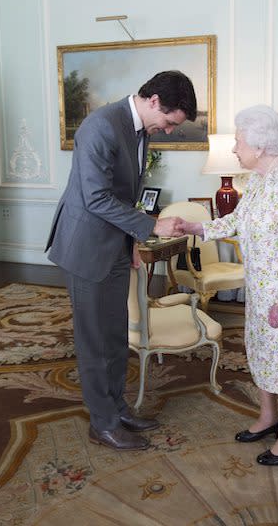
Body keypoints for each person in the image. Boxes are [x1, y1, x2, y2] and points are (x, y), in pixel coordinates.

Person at [45, 71, 196, 451]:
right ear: (156, 101)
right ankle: (103, 424)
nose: (168, 130)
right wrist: (150, 225)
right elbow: (95, 198)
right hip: (87, 248)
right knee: (94, 342)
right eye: (170, 122)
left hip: (114, 244)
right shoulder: (101, 126)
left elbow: (126, 194)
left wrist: (133, 241)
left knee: (114, 337)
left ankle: (117, 408)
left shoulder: (138, 129)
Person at [180, 105, 278, 466]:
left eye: (239, 142)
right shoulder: (259, 179)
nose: (234, 149)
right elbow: (238, 221)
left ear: (259, 147)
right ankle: (268, 417)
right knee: (262, 352)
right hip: (261, 289)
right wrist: (197, 228)